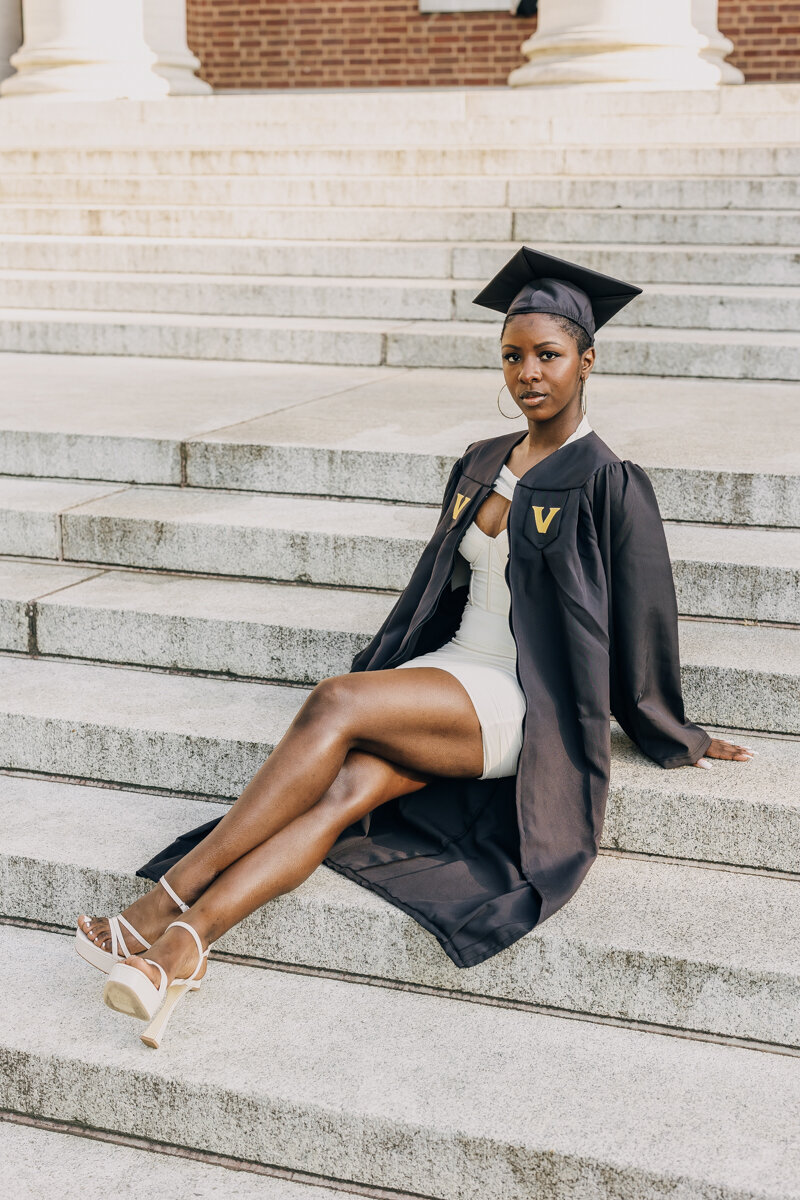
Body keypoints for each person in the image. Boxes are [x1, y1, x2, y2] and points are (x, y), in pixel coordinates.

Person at [76, 246, 756, 1047]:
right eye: (513, 356)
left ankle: (163, 901)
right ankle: (182, 952)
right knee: (339, 795)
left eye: (548, 355)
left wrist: (674, 729)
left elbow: (644, 619)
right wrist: (395, 672)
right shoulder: (480, 463)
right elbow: (438, 589)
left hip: (516, 699)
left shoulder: (611, 482)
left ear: (587, 361)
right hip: (448, 674)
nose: (528, 373)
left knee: (338, 699)